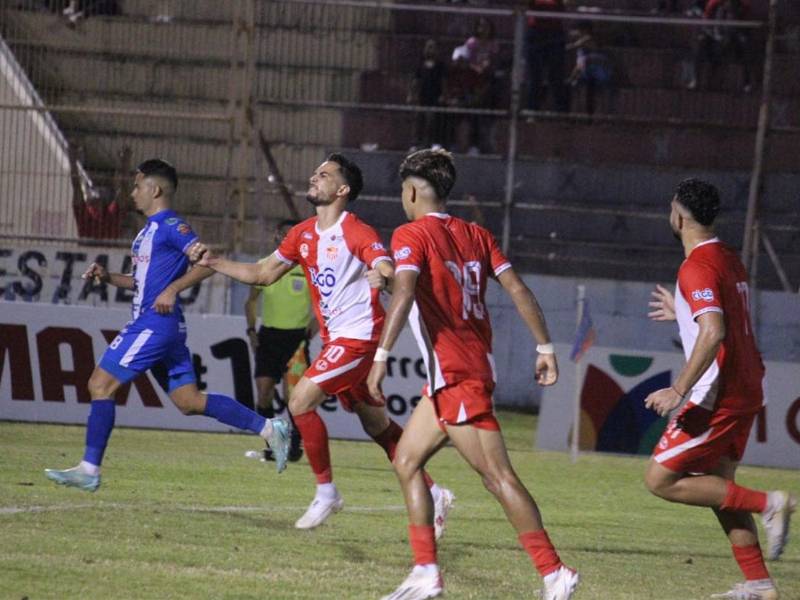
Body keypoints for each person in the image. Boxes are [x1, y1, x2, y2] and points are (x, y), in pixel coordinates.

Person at [191, 153, 454, 533]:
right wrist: (215, 263)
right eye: (315, 172)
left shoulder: (356, 231)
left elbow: (382, 263)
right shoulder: (302, 234)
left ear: (342, 190)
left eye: (325, 175)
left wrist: (385, 274)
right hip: (339, 338)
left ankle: (326, 492)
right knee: (376, 424)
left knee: (299, 401)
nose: (314, 177)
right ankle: (434, 492)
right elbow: (263, 273)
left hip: (358, 337)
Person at [367, 149, 578, 600]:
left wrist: (382, 355)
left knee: (498, 478)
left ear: (411, 191)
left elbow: (405, 292)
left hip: (459, 373)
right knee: (407, 461)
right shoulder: (476, 234)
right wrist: (545, 347)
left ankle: (555, 571)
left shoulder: (410, 232)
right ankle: (425, 574)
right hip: (457, 372)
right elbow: (516, 287)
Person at [45, 158, 291, 492]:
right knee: (189, 402)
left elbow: (208, 262)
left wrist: (174, 289)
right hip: (164, 327)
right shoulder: (147, 233)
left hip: (153, 324)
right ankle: (268, 428)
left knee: (100, 385)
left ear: (155, 189)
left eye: (137, 186)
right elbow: (144, 283)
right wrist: (109, 278)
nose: (132, 193)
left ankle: (89, 468)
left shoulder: (172, 225)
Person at [645, 179, 795, 600]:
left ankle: (769, 503)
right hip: (747, 384)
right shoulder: (728, 256)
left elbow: (714, 330)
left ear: (678, 216)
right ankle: (759, 584)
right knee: (718, 489)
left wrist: (678, 389)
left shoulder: (696, 267)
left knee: (660, 479)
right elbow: (716, 316)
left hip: (719, 392)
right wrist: (683, 310)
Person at [244, 219, 315, 462]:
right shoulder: (264, 265)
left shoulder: (307, 268)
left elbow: (321, 307)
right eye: (283, 234)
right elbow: (251, 301)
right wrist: (251, 330)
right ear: (276, 237)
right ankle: (275, 445)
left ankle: (294, 446)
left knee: (293, 397)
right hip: (268, 337)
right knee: (263, 392)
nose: (286, 238)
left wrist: (308, 334)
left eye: (290, 234)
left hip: (296, 339)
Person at [70, 144, 129, 241]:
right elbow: (124, 189)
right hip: (105, 254)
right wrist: (125, 163)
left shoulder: (85, 215)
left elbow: (76, 187)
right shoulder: (109, 216)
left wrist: (72, 161)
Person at [526, 0, 569, 113]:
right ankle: (532, 111)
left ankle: (560, 112)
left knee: (557, 76)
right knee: (535, 76)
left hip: (555, 34)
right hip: (535, 34)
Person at [565, 21, 613, 116]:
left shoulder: (587, 39)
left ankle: (599, 114)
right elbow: (579, 63)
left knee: (595, 94)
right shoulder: (583, 47)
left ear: (584, 30)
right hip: (587, 72)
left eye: (576, 30)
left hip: (596, 71)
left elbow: (573, 48)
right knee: (583, 91)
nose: (573, 32)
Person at [408, 39, 447, 151]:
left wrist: (444, 95)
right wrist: (411, 94)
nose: (430, 50)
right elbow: (415, 81)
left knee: (433, 120)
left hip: (435, 97)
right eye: (428, 47)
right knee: (418, 119)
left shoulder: (440, 65)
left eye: (432, 47)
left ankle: (434, 142)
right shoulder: (420, 64)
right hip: (422, 97)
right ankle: (416, 143)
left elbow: (443, 81)